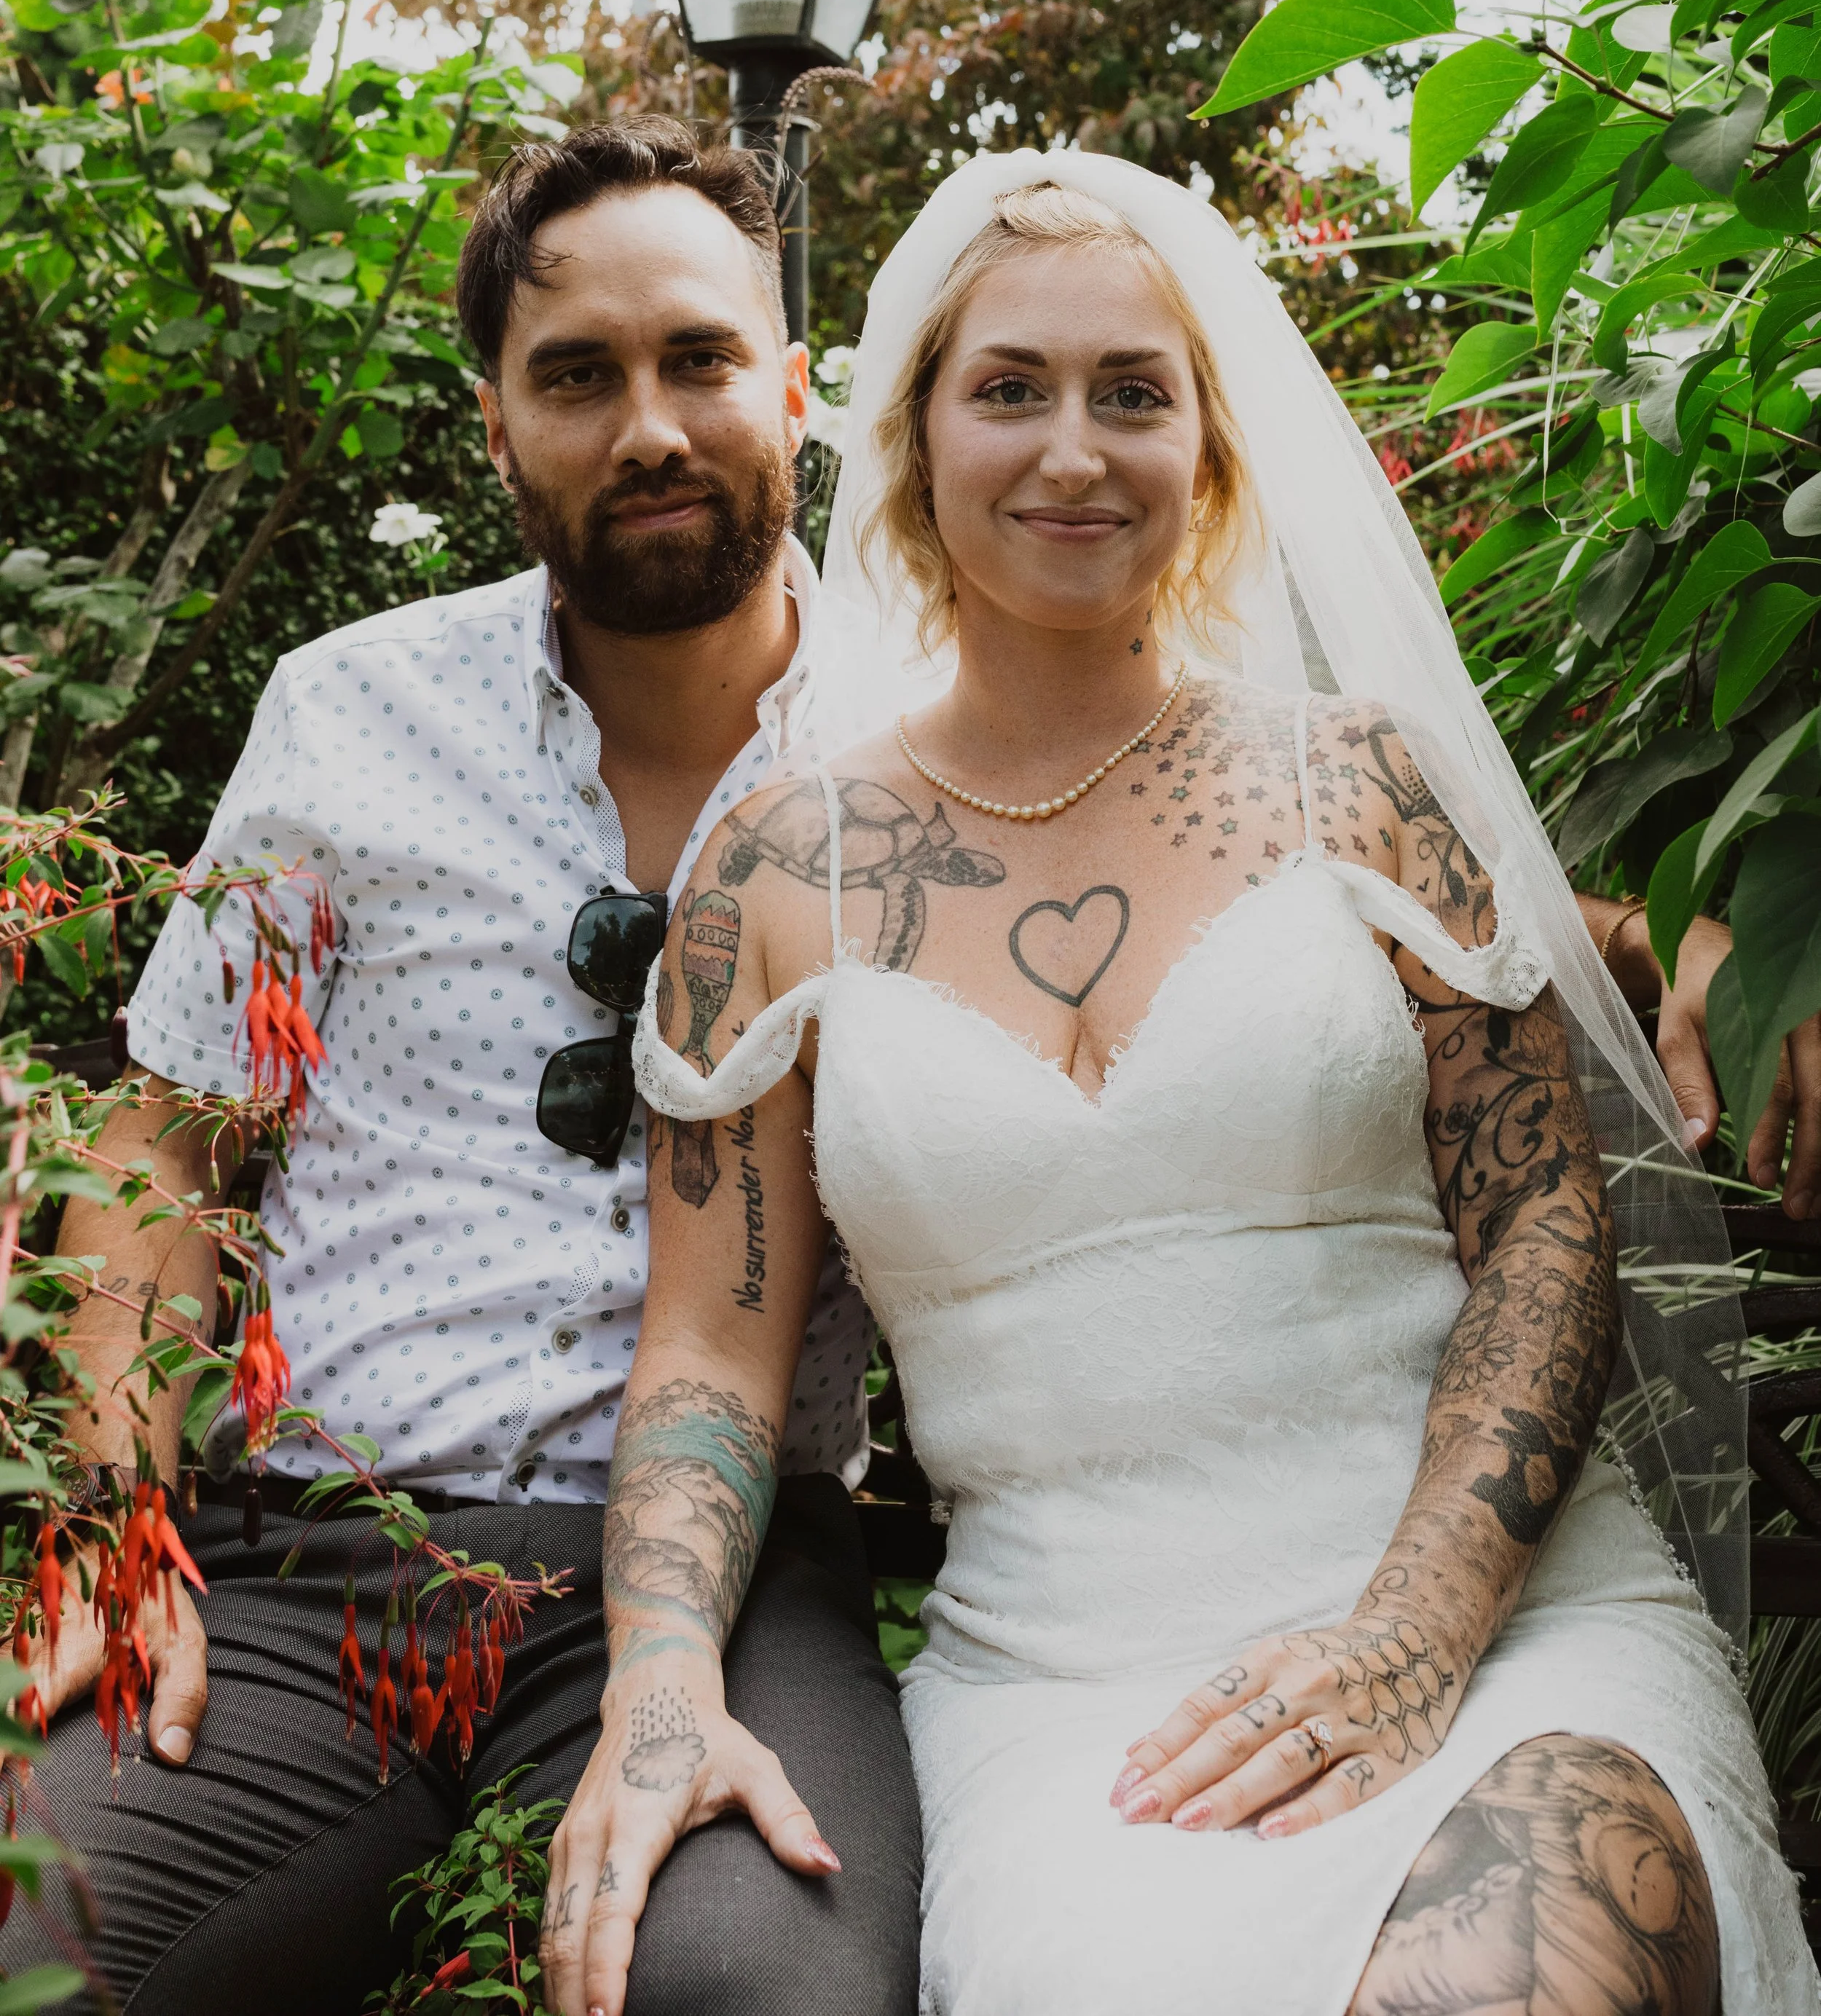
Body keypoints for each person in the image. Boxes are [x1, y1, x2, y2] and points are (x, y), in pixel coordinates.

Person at [542, 157, 1814, 2016]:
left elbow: (1543, 1224)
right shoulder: (774, 878)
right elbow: (710, 1361)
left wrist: (1411, 1633)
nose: (1073, 449)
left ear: (1207, 450)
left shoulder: (1359, 783)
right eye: (1010, 388)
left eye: (1132, 392)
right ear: (911, 439)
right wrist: (659, 1685)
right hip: (1065, 1700)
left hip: (1500, 1625)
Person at [12, 123, 920, 2015]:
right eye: (576, 377)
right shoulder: (349, 714)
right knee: (34, 1944)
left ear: (791, 387)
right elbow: (166, 1142)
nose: (647, 427)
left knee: (765, 1993)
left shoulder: (926, 751)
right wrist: (115, 1527)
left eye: (696, 359)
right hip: (313, 1567)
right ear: (496, 427)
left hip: (734, 1574)